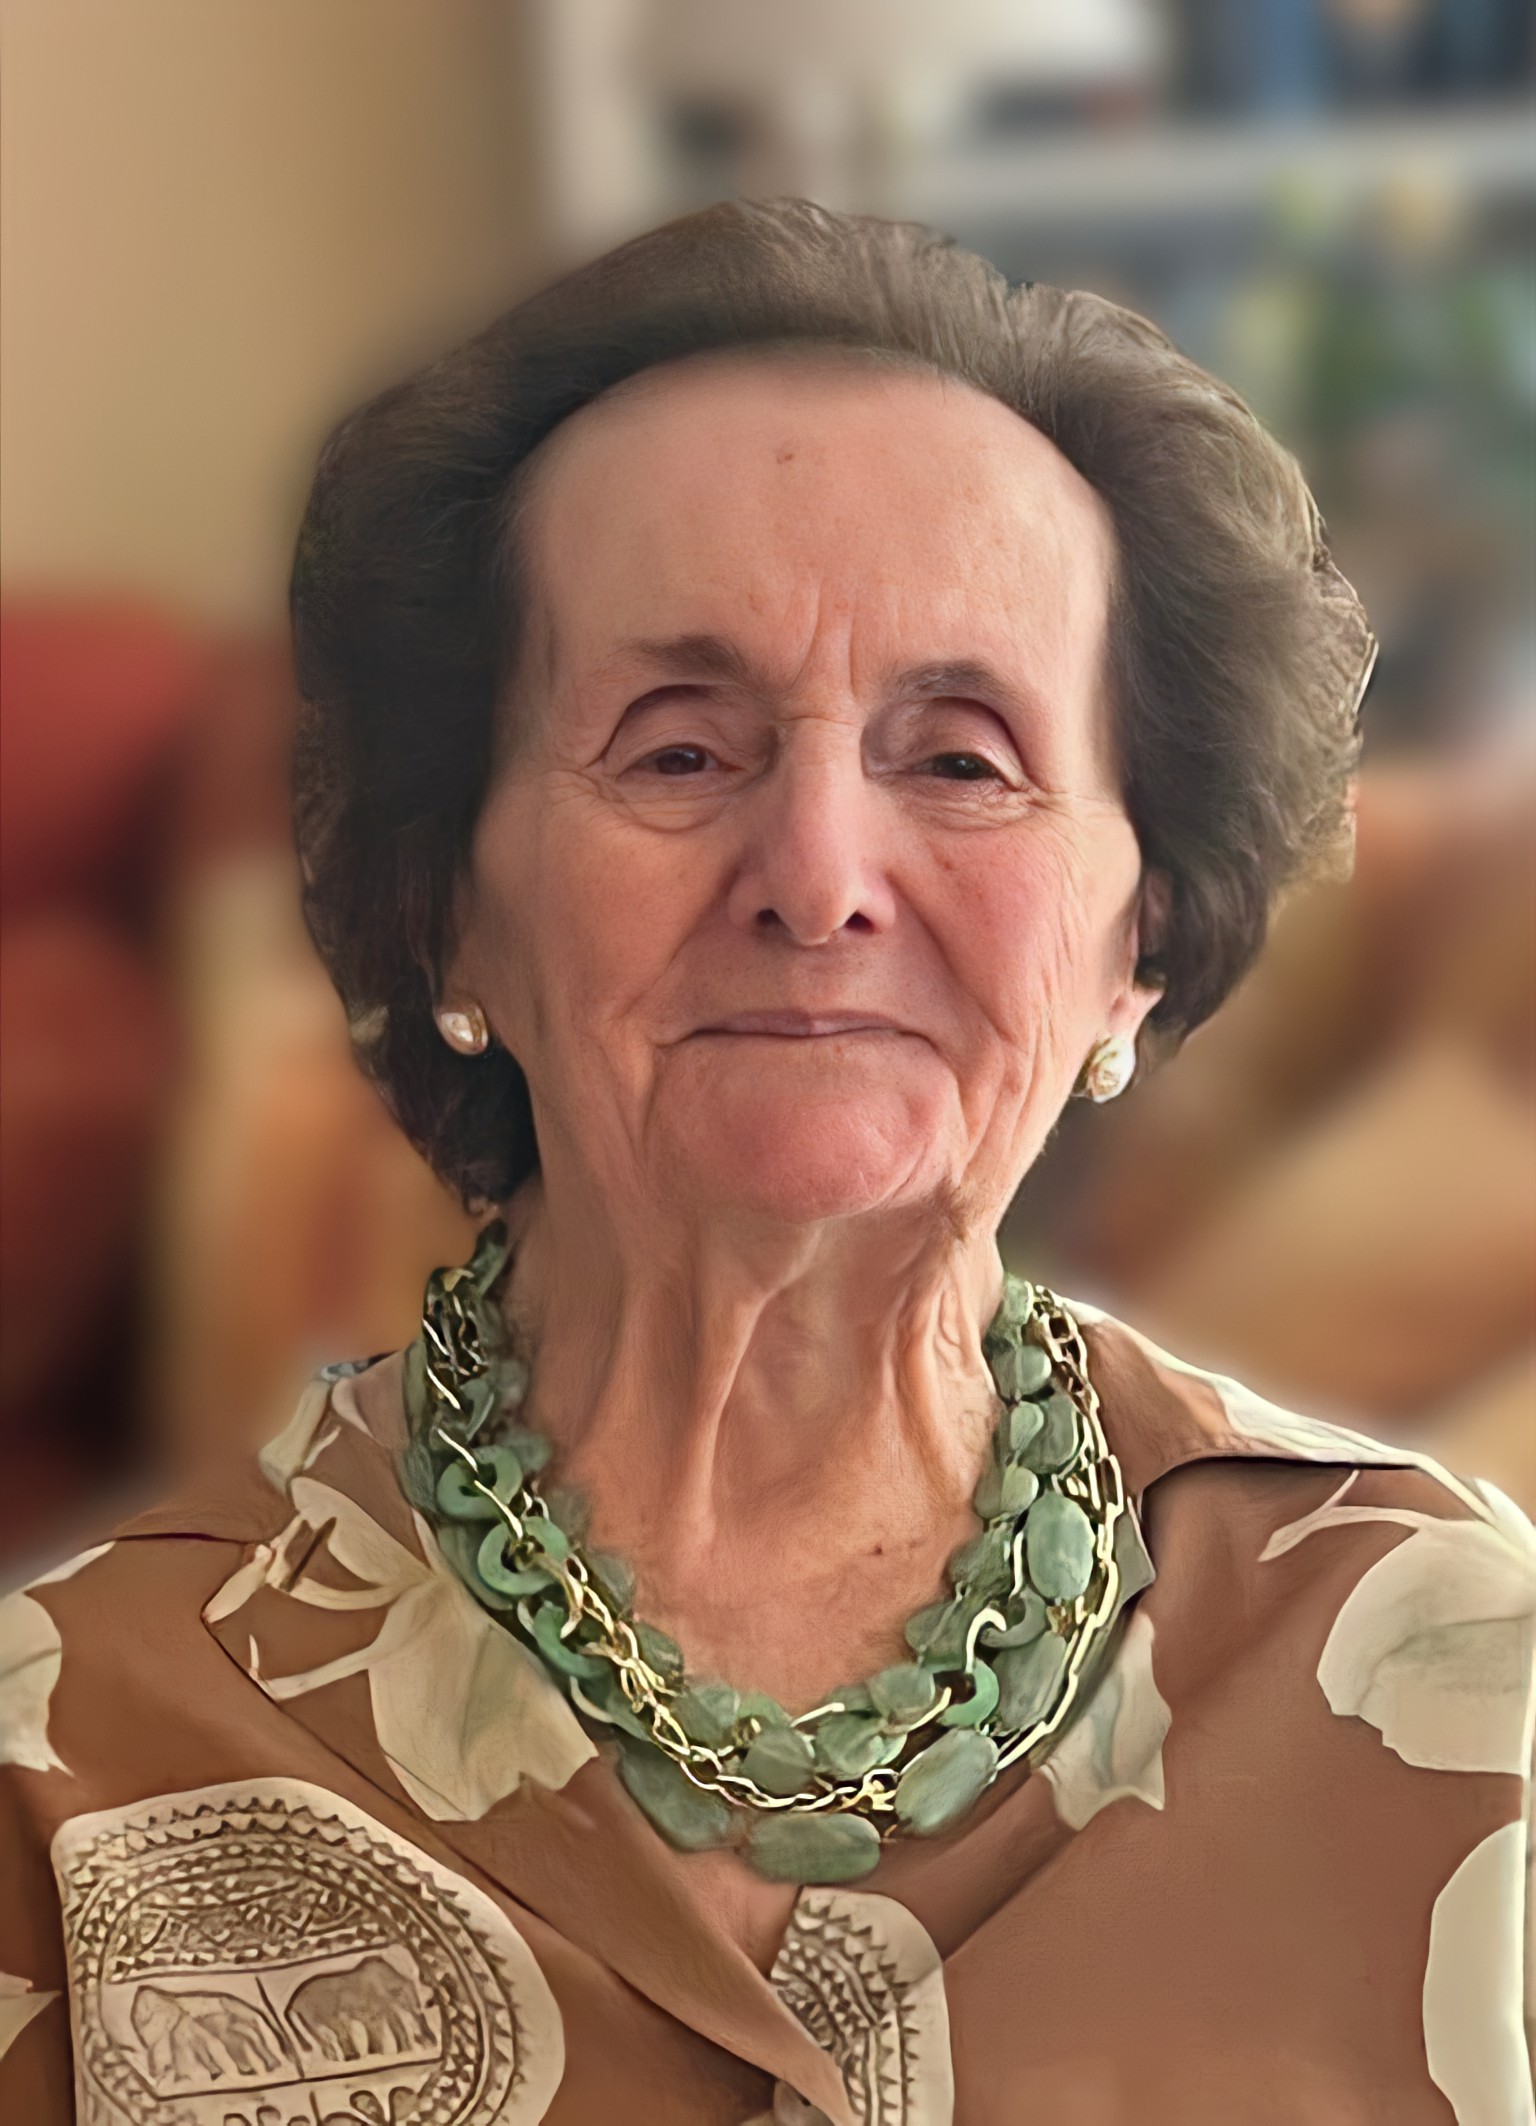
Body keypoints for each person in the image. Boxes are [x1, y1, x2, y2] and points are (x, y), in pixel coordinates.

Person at [2, 200, 1531, 2126]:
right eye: (677, 750)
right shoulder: (70, 1755)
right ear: (447, 908)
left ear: (1141, 936)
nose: (818, 877)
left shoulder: (1464, 1681)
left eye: (960, 757)